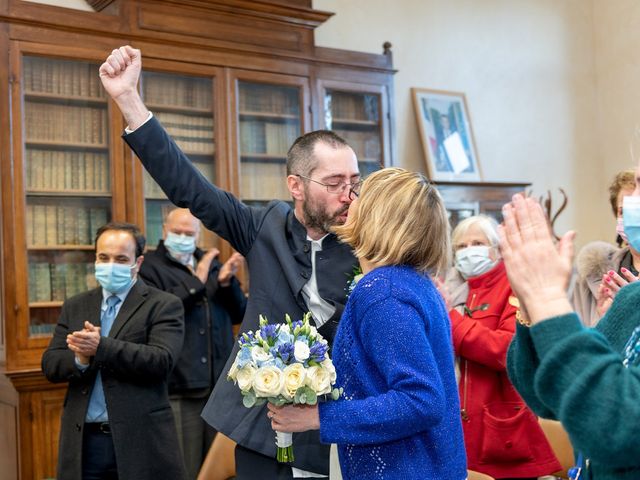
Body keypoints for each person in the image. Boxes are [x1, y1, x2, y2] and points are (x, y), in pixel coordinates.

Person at [99, 46, 360, 479]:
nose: (348, 195)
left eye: (354, 181)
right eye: (333, 183)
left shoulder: (365, 241)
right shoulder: (262, 227)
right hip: (261, 423)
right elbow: (190, 187)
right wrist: (129, 99)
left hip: (335, 427)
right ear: (295, 185)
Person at [266, 168, 467, 480]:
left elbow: (421, 400)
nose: (348, 198)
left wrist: (319, 417)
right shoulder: (412, 282)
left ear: (377, 215)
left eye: (357, 193)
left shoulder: (383, 291)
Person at [502, 185, 640, 479]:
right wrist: (530, 308)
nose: (632, 199)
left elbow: (619, 428)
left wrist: (548, 300)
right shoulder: (632, 298)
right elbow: (547, 397)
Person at [41, 222, 187, 479]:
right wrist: (80, 358)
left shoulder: (163, 305)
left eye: (121, 259)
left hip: (140, 442)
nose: (110, 265)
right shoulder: (76, 305)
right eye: (103, 257)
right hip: (85, 442)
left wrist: (101, 347)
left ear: (138, 263)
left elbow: (161, 360)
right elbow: (51, 363)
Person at [442, 215, 560, 479]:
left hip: (502, 431)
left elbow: (506, 350)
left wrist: (451, 319)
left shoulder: (512, 285)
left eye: (477, 243)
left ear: (496, 249)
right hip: (458, 429)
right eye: (461, 246)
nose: (469, 251)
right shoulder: (450, 288)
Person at [138, 208, 247, 479]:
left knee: (222, 468)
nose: (184, 238)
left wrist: (225, 283)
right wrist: (196, 281)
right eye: (177, 232)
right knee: (186, 468)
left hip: (219, 385)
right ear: (164, 231)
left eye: (190, 233)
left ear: (198, 234)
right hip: (180, 385)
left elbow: (239, 313)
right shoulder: (149, 267)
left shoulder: (209, 261)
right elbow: (155, 314)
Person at [571, 169, 640, 326]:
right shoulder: (591, 277)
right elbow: (574, 342)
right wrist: (605, 321)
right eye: (624, 211)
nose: (633, 217)